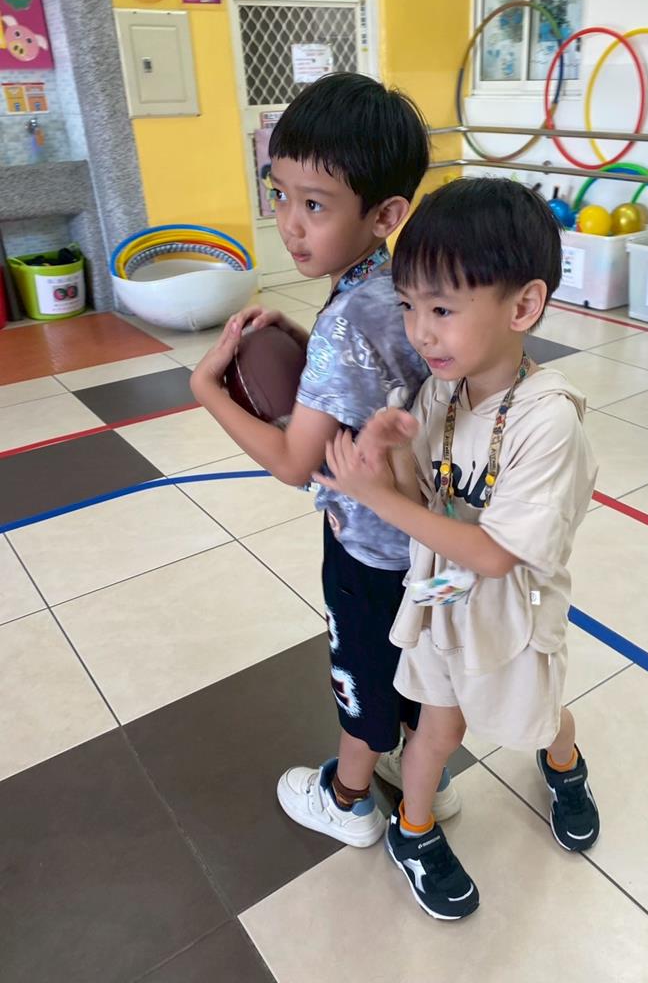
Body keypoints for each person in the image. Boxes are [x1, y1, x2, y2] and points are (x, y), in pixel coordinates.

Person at [315, 177, 600, 920]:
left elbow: (497, 555)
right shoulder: (444, 391)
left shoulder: (547, 422)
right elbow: (422, 501)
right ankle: (412, 830)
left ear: (523, 307)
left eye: (441, 310)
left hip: (513, 607)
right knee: (436, 725)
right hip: (441, 594)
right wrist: (390, 452)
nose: (420, 332)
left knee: (539, 715)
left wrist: (375, 495)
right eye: (409, 306)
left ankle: (563, 763)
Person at [190, 72, 461, 849]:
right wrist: (307, 347)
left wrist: (206, 389)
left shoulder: (347, 321)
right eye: (279, 195)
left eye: (315, 205)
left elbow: (291, 460)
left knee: (362, 675)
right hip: (430, 538)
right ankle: (421, 774)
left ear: (385, 214)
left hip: (367, 546)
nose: (289, 224)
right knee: (416, 655)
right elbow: (380, 384)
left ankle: (346, 798)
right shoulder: (400, 287)